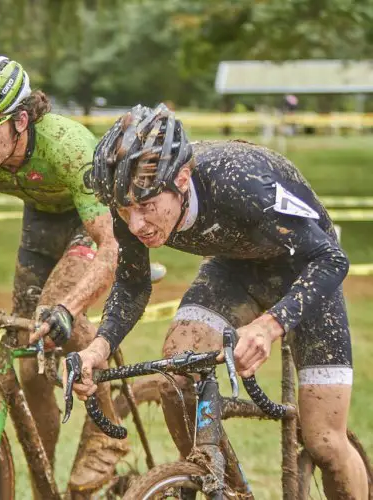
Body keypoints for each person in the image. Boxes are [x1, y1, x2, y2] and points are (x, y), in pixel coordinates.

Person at [0, 55, 165, 496]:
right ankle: (46, 484)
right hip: (41, 222)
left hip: (95, 223)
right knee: (30, 356)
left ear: (21, 120)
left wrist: (68, 308)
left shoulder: (68, 146)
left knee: (55, 310)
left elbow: (110, 245)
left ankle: (107, 428)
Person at [69, 103, 368, 498]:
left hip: (305, 269)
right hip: (234, 268)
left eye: (146, 206)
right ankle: (218, 487)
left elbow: (331, 259)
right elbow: (132, 285)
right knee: (175, 379)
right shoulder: (130, 199)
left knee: (324, 442)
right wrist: (99, 346)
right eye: (124, 210)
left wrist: (269, 325)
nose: (136, 223)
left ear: (182, 177)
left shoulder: (238, 181)